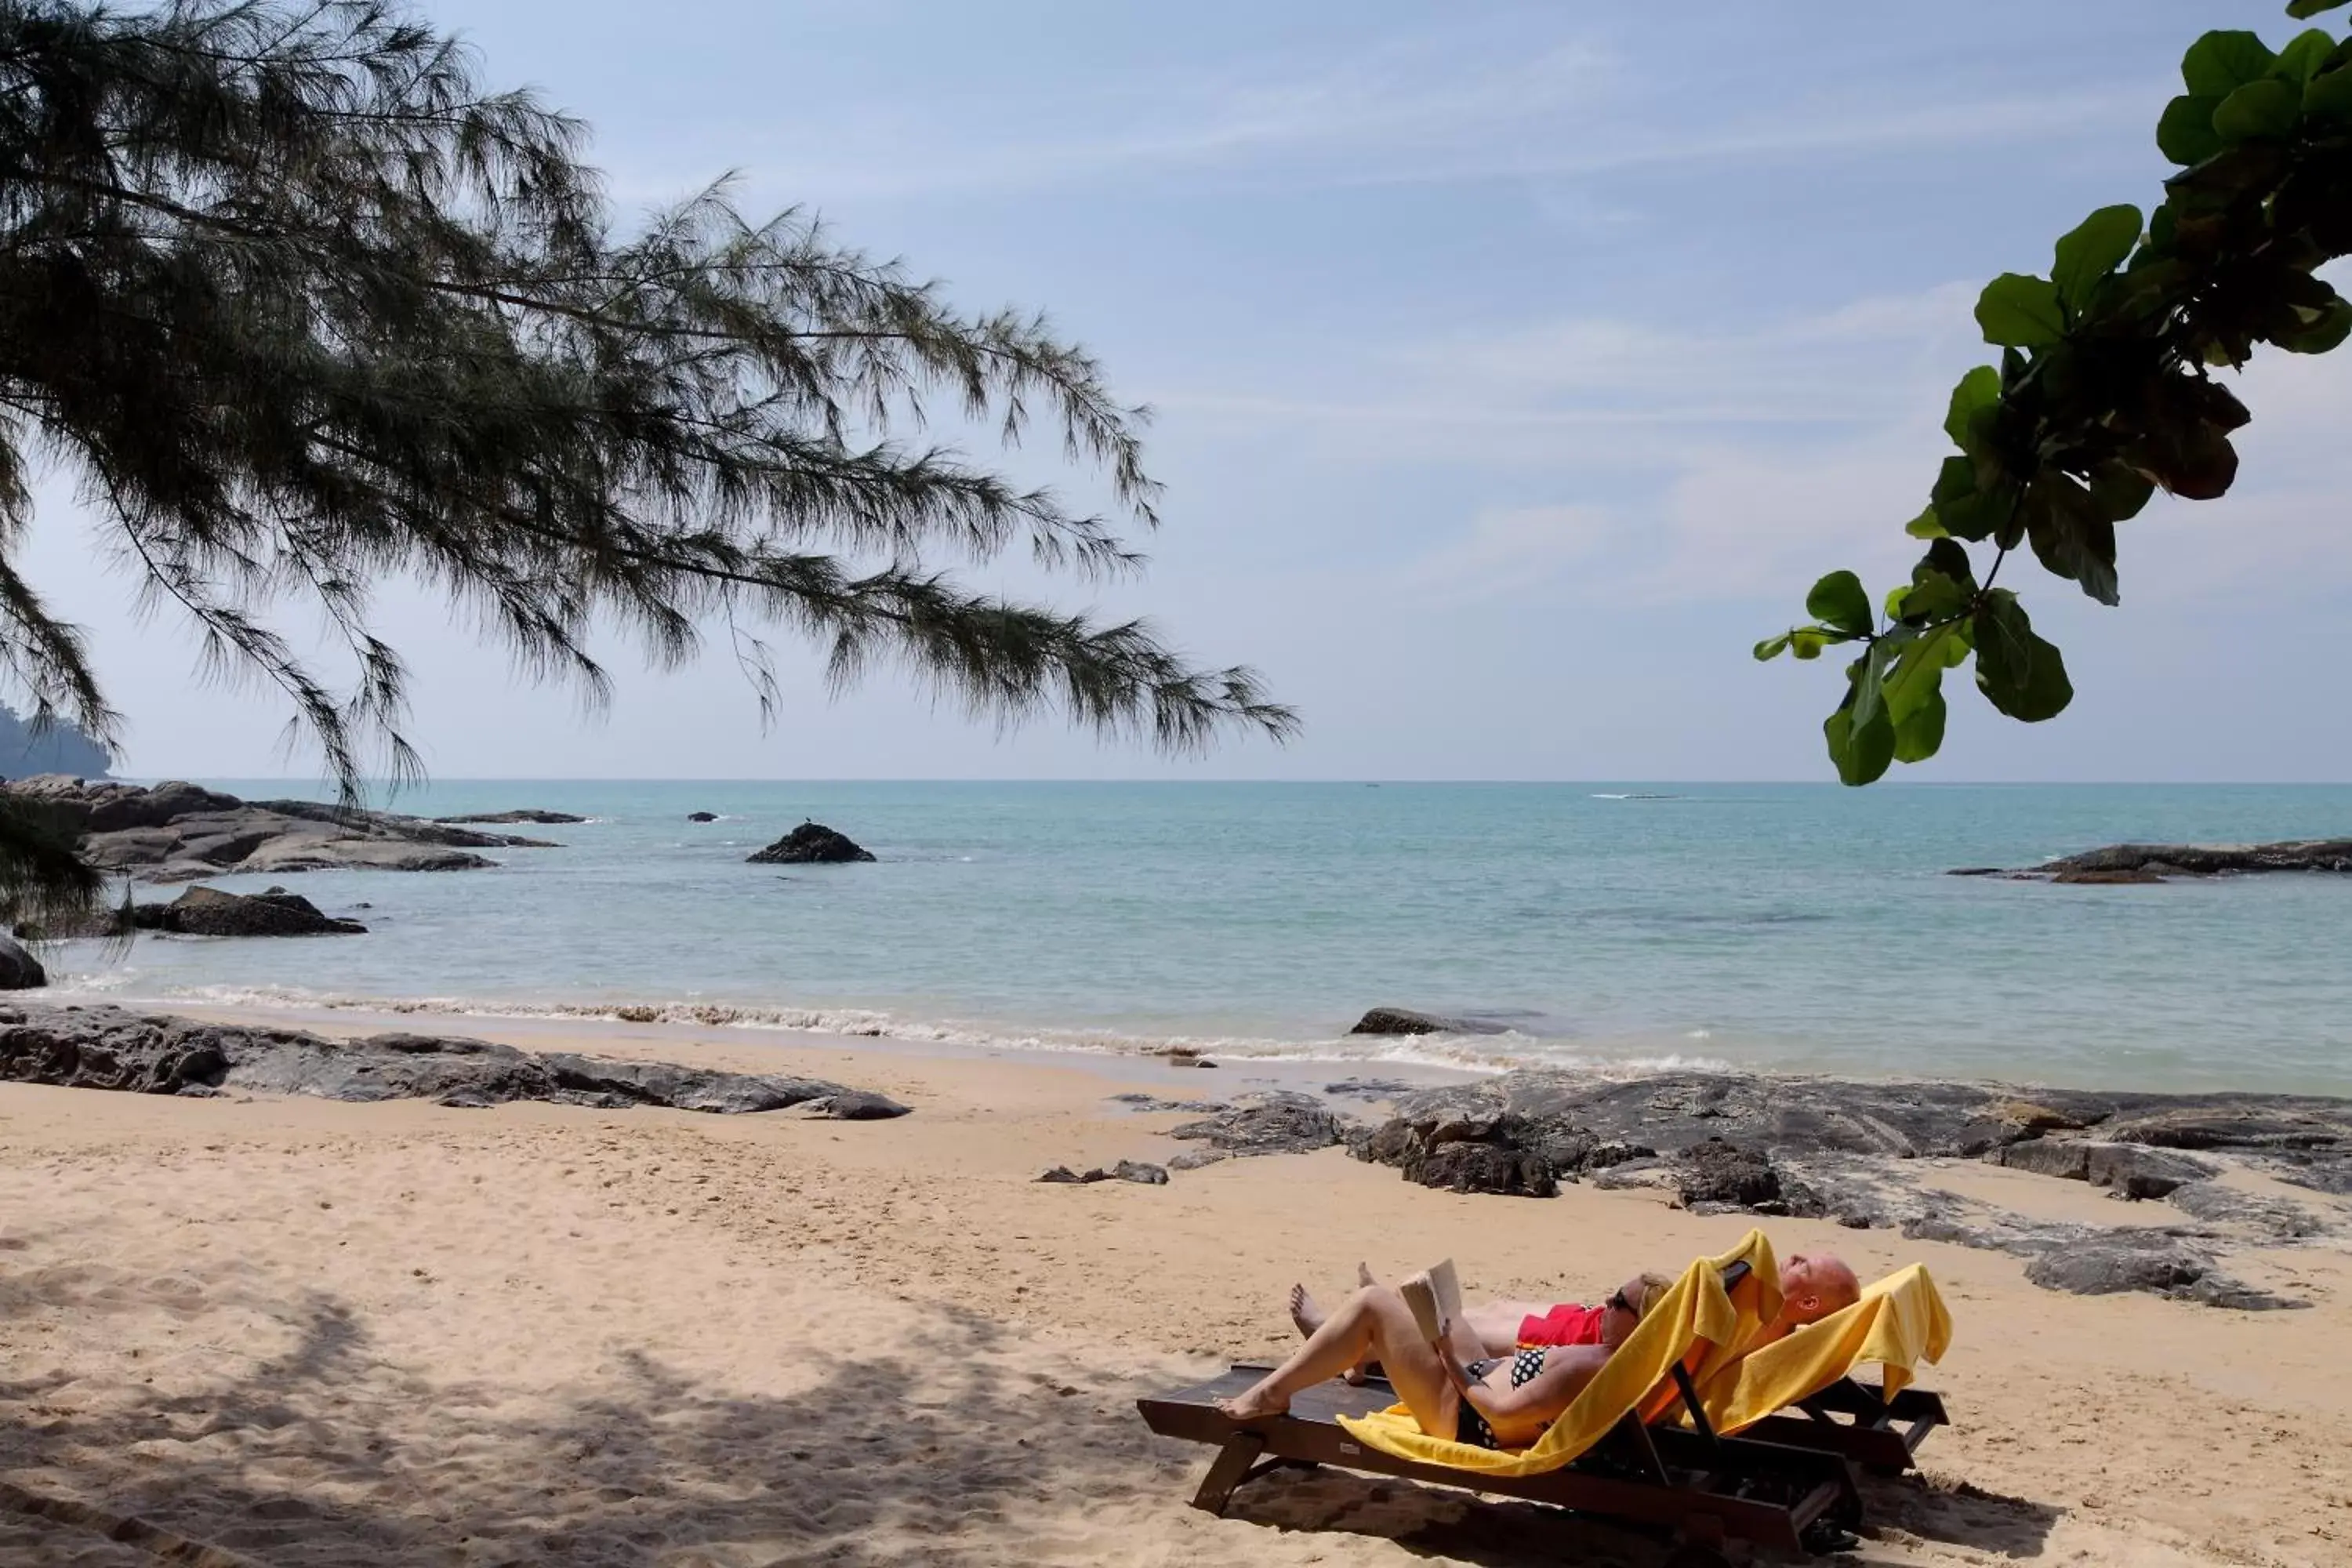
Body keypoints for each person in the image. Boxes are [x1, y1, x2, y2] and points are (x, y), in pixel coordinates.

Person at [1214, 1273, 1675, 1450]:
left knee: (1374, 1302)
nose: (1605, 1302)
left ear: (1640, 1323)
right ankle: (1353, 1351)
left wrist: (1449, 1356)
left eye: (1617, 1301)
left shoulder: (1593, 1366)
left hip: (1463, 1416)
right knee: (1431, 1301)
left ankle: (1273, 1392)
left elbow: (1501, 1411)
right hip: (1482, 1381)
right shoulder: (1613, 1360)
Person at [1288, 1251, 1862, 1380]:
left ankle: (1360, 1341)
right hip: (1600, 1319)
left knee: (1469, 1328)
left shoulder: (1762, 1322)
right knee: (1494, 1309)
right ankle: (1370, 1334)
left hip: (1596, 1336)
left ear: (1807, 1303)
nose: (1789, 1258)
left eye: (1802, 1265)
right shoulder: (1768, 1318)